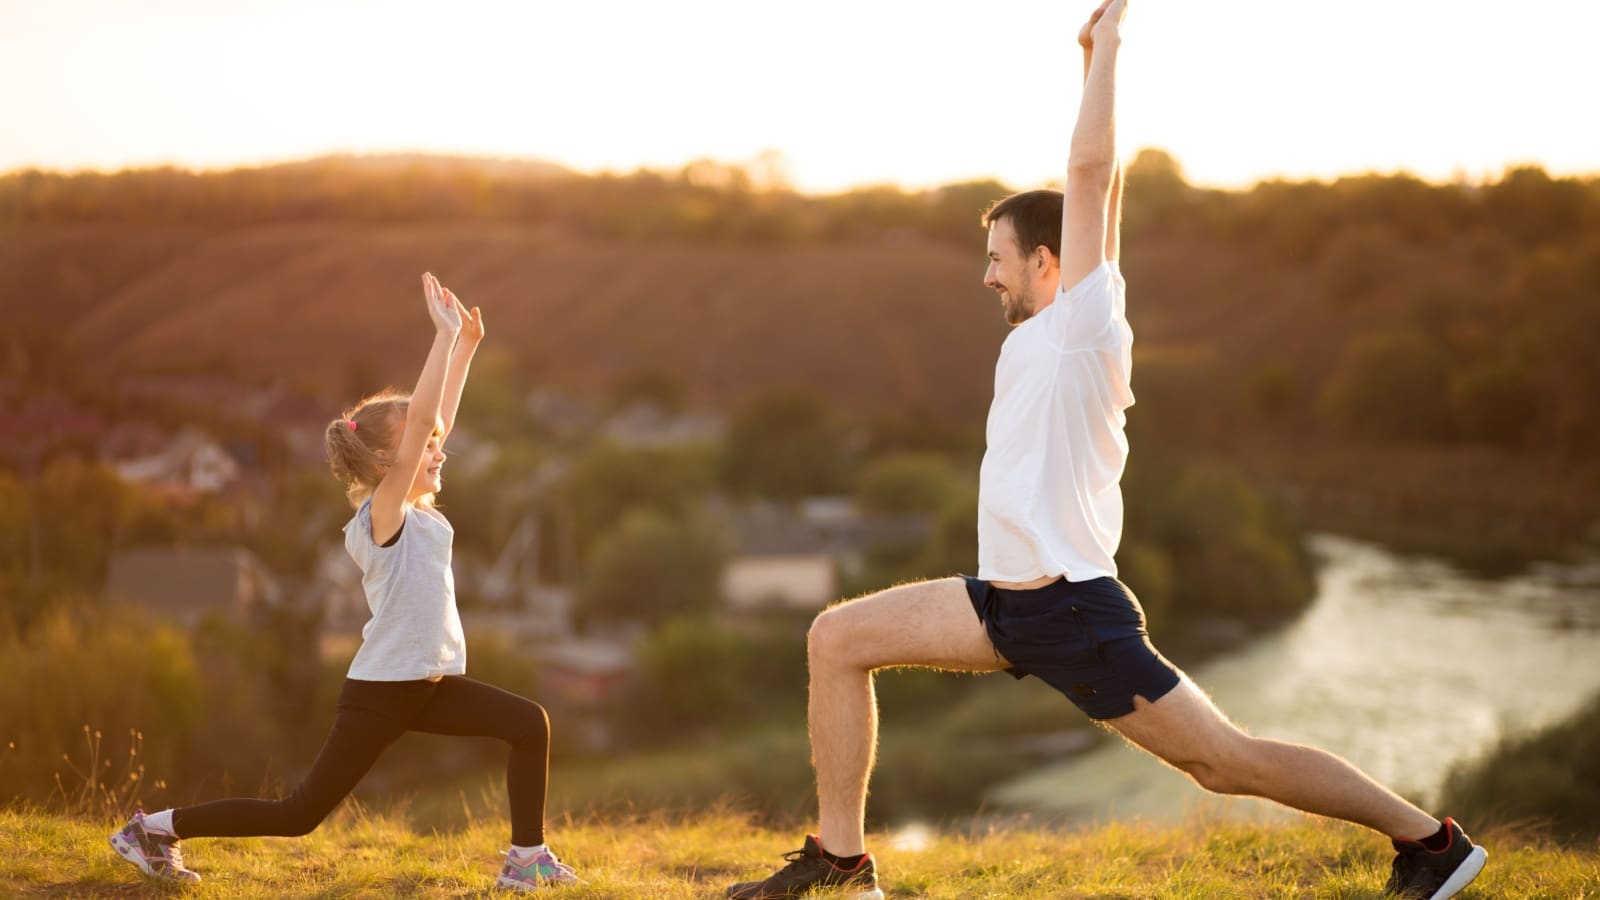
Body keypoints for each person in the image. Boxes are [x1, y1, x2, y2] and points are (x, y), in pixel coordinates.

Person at [725, 3, 1486, 899]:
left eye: (998, 257)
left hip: (1070, 612)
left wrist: (1112, 44)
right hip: (1002, 605)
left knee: (1223, 761)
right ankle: (843, 864)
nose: (986, 273)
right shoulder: (1048, 332)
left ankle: (1431, 843)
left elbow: (1090, 174)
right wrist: (1086, 65)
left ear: (1048, 261)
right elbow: (1105, 194)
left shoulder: (1083, 326)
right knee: (836, 638)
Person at [110, 273, 581, 892]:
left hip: (427, 682)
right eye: (425, 448)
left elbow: (431, 423)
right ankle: (153, 829)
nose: (439, 452)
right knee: (298, 816)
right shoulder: (381, 518)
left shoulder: (416, 511)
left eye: (436, 445)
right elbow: (422, 423)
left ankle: (526, 860)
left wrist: (466, 347)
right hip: (382, 693)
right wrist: (441, 339)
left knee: (528, 723)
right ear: (387, 464)